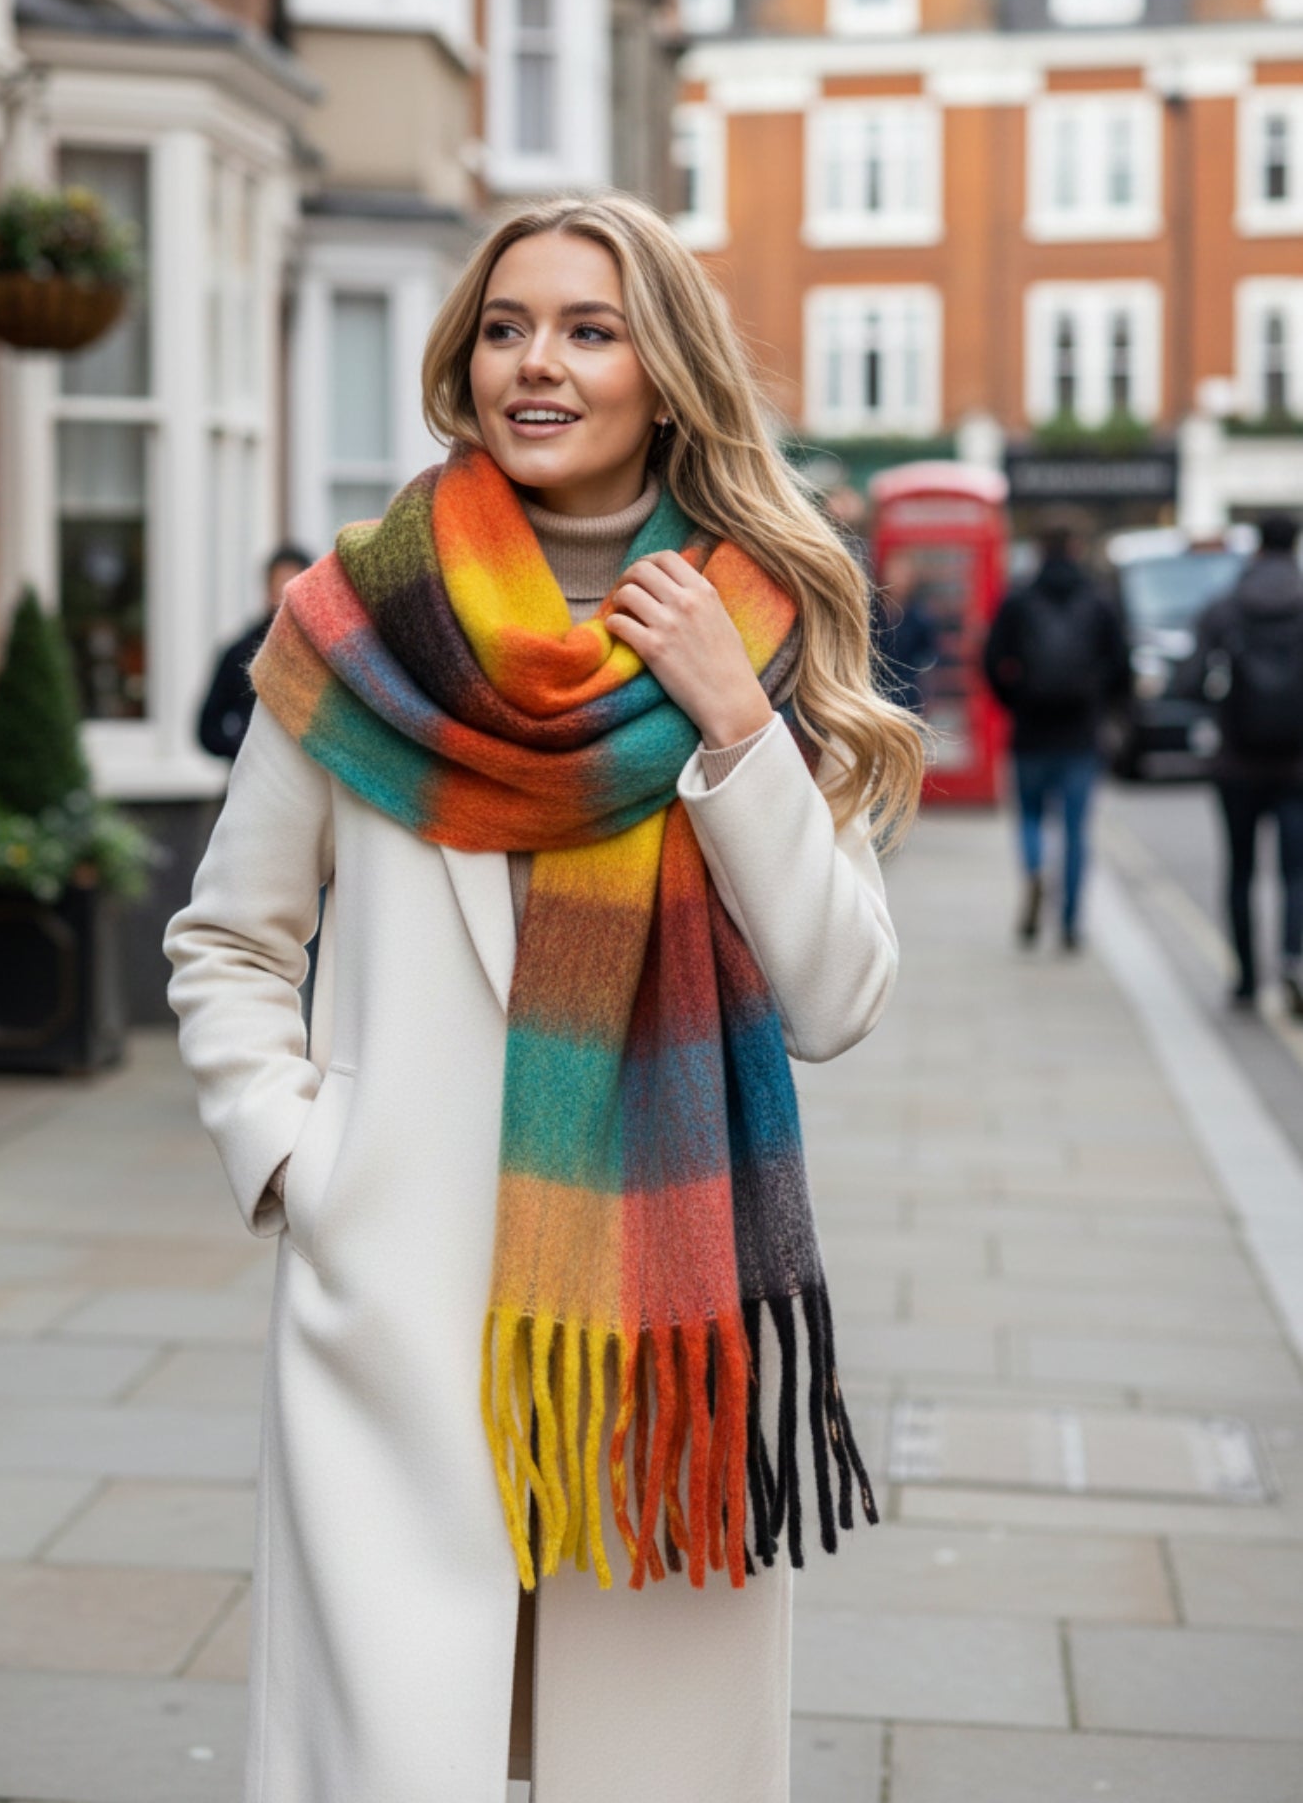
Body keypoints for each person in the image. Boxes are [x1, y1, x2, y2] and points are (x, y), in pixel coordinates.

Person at [163, 192, 922, 1803]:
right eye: (506, 328)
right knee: (403, 1750)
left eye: (590, 330)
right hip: (400, 1290)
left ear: (668, 371)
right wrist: (303, 1161)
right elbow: (231, 939)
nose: (539, 364)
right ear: (464, 360)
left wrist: (734, 723)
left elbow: (839, 994)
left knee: (634, 1758)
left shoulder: (757, 628)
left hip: (655, 1311)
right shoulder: (357, 622)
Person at [1177, 513, 1303, 1013]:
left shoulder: (1226, 607)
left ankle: (1247, 979)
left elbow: (1189, 681)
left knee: (1241, 871)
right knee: (1297, 873)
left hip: (1237, 763)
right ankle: (1293, 959)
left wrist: (1222, 708)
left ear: (1257, 547)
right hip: (1297, 765)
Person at [983, 523, 1130, 951]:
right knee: (1075, 830)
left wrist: (1014, 701)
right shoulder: (1099, 601)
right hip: (1080, 735)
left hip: (1030, 731)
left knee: (1030, 816)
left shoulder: (1018, 600)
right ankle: (1069, 923)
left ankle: (1034, 870)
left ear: (1040, 550)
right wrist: (1100, 705)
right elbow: (1122, 667)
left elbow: (991, 661)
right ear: (1077, 547)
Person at [196, 544, 312, 759]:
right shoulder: (239, 654)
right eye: (280, 584)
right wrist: (242, 745)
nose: (285, 596)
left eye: (293, 586)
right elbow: (207, 729)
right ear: (267, 588)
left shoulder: (321, 655)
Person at [872, 548, 938, 715]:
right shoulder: (871, 614)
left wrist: (927, 700)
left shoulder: (919, 618)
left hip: (908, 699)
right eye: (895, 571)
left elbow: (927, 662)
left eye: (904, 573)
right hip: (875, 697)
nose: (899, 579)